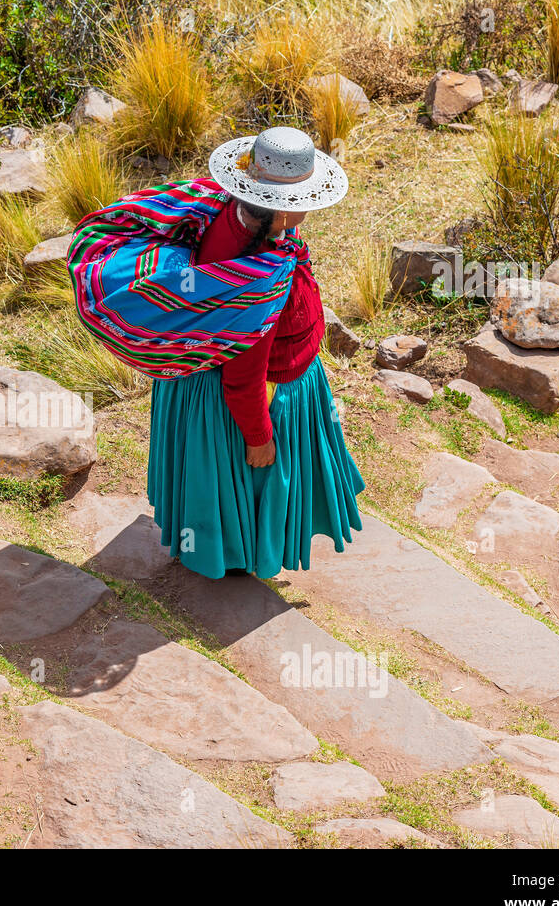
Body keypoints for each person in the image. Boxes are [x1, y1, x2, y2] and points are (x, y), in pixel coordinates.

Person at [71, 126, 363, 580]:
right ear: (286, 209)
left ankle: (223, 546)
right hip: (243, 398)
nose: (309, 206)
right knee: (249, 476)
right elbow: (243, 377)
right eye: (305, 197)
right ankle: (238, 557)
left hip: (199, 381)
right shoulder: (255, 280)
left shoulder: (219, 206)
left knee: (216, 481)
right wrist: (259, 435)